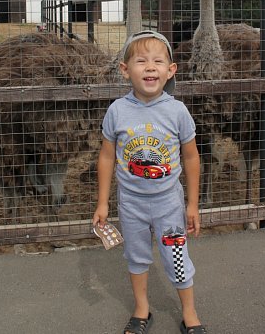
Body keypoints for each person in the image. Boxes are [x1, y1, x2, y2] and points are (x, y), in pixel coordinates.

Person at [92, 30, 207, 334]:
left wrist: (192, 204)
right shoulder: (117, 111)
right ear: (125, 69)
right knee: (137, 256)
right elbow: (106, 157)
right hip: (131, 204)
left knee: (176, 254)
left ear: (171, 71)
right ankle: (142, 308)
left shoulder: (177, 112)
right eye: (141, 61)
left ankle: (189, 312)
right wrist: (103, 202)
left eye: (158, 61)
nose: (150, 67)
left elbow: (192, 157)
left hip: (168, 203)